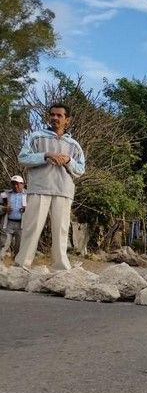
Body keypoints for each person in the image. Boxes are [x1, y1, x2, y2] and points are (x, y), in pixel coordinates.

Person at [15, 103, 86, 271]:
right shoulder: (37, 137)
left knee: (61, 231)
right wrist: (46, 155)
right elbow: (23, 158)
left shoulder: (74, 145)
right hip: (40, 188)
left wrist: (68, 161)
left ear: (67, 120)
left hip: (63, 191)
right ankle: (22, 265)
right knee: (32, 228)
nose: (55, 118)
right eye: (52, 115)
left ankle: (60, 268)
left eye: (59, 115)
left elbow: (80, 170)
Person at [0, 176, 27, 261]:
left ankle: (16, 263)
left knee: (19, 246)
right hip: (8, 223)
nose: (15, 186)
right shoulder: (4, 195)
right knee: (4, 243)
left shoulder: (28, 195)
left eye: (18, 184)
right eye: (13, 184)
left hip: (22, 225)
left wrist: (27, 209)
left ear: (23, 184)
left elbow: (35, 209)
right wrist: (3, 209)